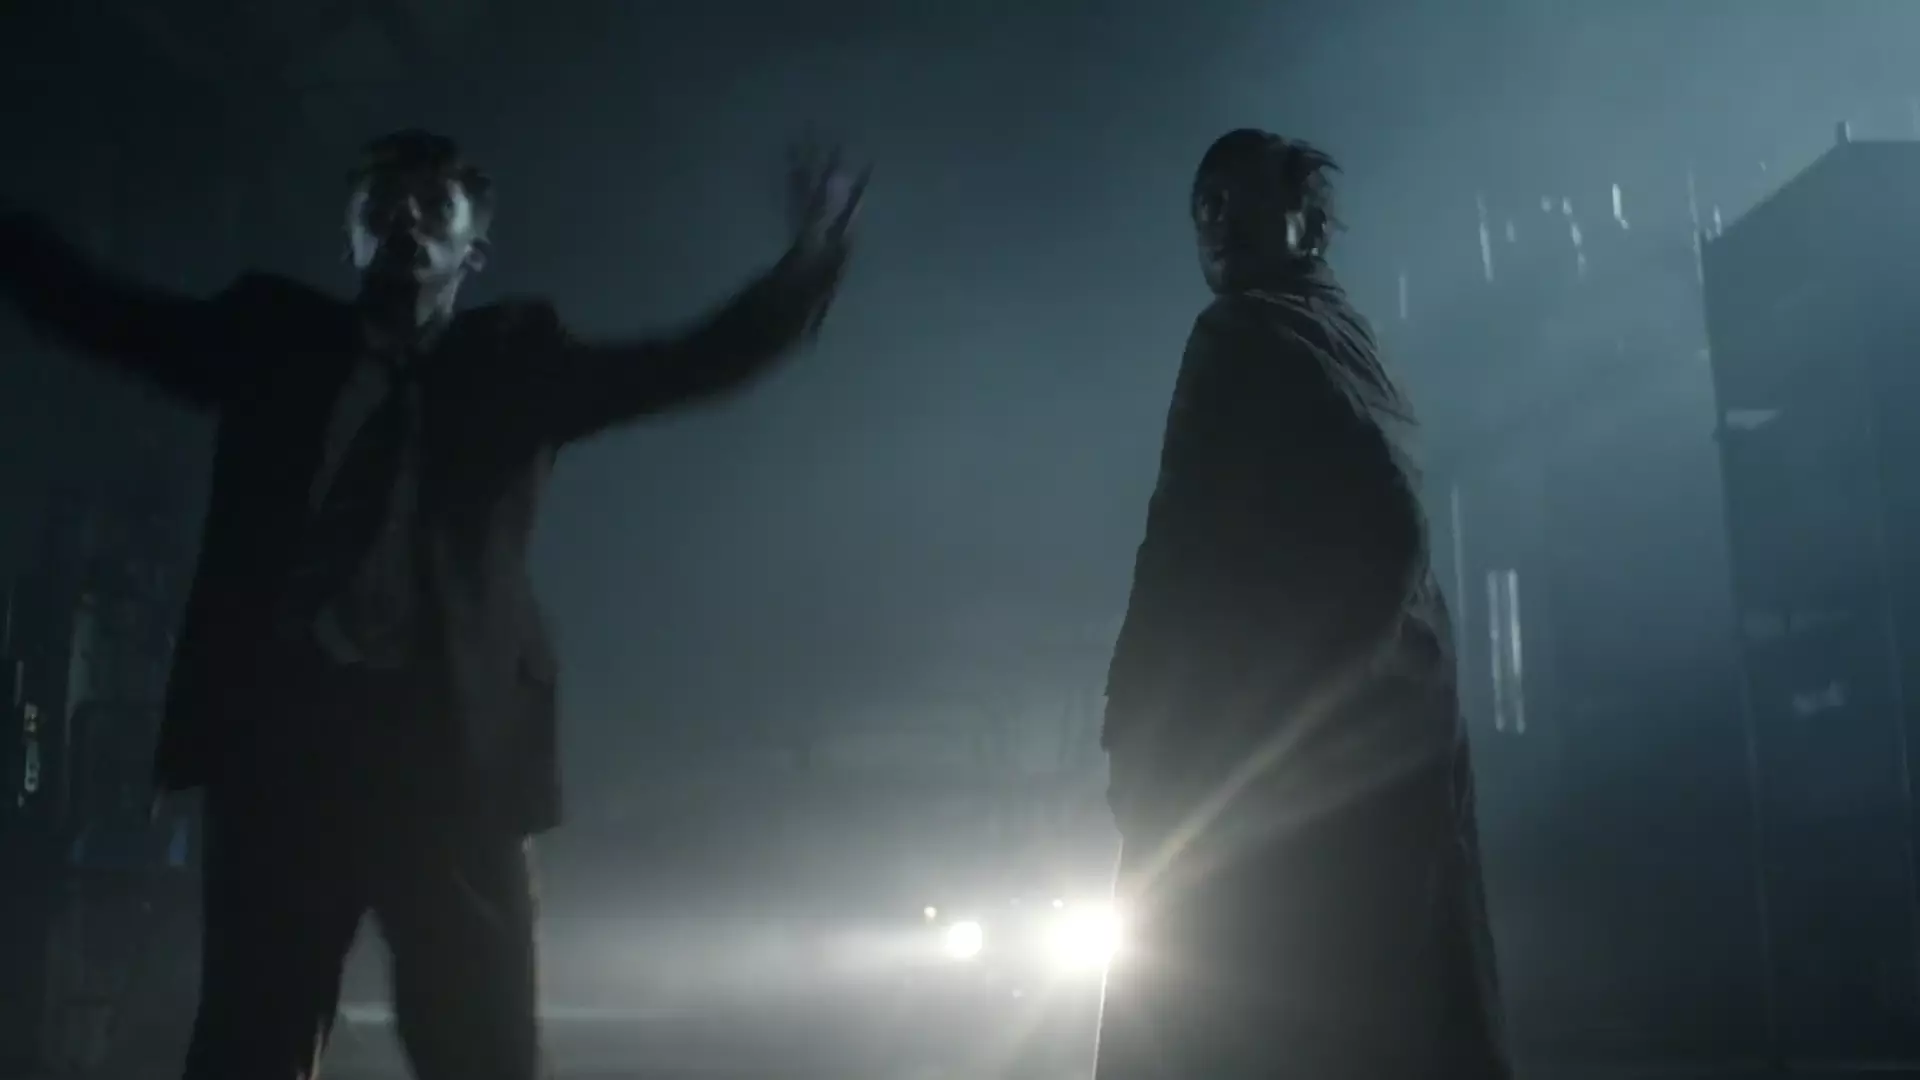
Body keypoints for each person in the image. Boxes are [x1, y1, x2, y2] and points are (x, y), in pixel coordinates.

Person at [0, 129, 868, 1080]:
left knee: (480, 1046)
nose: (404, 221)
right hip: (286, 749)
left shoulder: (517, 359)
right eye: (381, 207)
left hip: (452, 754)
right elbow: (113, 319)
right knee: (252, 1037)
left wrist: (810, 259)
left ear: (472, 251)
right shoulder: (272, 340)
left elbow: (686, 362)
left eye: (431, 207)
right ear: (351, 239)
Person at [1094, 129, 1509, 1079]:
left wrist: (1184, 718)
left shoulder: (1246, 335)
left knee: (1232, 1007)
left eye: (1238, 200)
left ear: (1307, 222)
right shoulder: (1338, 339)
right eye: (1204, 208)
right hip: (1367, 742)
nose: (1218, 223)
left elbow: (1184, 547)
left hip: (1286, 754)